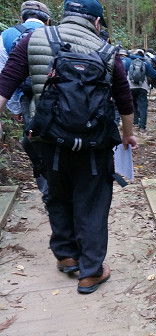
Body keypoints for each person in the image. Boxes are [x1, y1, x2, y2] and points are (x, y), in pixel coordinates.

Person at [0, 0, 137, 294]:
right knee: (93, 203)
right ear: (97, 22)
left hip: (48, 138)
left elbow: (6, 82)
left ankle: (66, 256)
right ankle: (90, 273)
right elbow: (124, 98)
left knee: (57, 194)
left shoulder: (33, 40)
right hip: (94, 144)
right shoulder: (106, 51)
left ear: (63, 16)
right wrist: (127, 134)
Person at [0, 1, 51, 204]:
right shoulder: (54, 34)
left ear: (21, 18)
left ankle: (46, 189)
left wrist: (14, 107)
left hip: (25, 95)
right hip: (53, 95)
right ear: (47, 20)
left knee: (33, 139)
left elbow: (5, 75)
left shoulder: (6, 36)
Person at [126, 48, 156, 133]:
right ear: (143, 56)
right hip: (142, 87)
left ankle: (135, 122)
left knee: (132, 104)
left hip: (130, 87)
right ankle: (142, 127)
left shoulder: (128, 61)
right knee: (143, 106)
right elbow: (154, 75)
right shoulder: (146, 62)